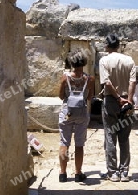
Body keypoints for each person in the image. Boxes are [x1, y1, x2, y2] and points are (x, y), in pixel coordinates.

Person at [99, 34, 137, 182]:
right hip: (126, 102)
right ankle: (124, 172)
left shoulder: (104, 60)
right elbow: (132, 82)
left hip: (111, 101)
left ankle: (113, 172)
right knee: (124, 138)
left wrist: (117, 98)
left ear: (108, 46)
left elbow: (107, 83)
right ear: (118, 45)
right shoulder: (129, 60)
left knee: (110, 137)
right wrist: (127, 100)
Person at [58, 49, 95, 182]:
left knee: (64, 142)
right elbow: (90, 97)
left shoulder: (65, 77)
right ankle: (78, 173)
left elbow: (61, 96)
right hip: (82, 113)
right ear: (83, 62)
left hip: (67, 112)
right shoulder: (89, 79)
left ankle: (62, 173)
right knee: (79, 144)